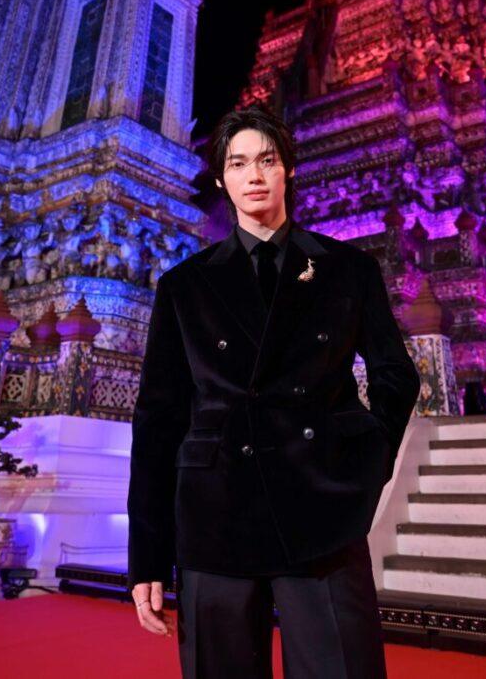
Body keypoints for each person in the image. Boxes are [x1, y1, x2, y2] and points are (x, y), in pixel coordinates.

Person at [127, 104, 421, 678]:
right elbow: (158, 420)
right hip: (214, 514)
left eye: (266, 160)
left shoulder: (348, 269)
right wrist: (148, 555)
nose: (254, 175)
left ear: (289, 168)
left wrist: (365, 460)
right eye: (237, 164)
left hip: (322, 509)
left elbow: (396, 375)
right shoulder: (184, 286)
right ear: (221, 180)